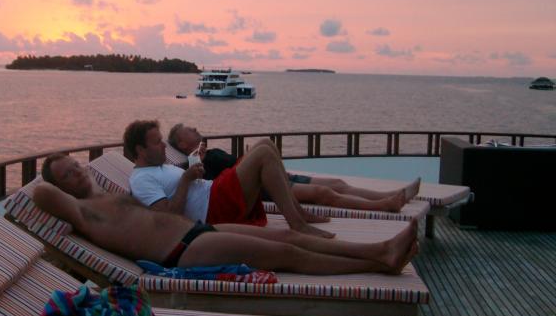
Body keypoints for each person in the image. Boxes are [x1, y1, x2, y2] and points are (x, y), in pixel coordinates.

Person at [34, 152, 418, 274]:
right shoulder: (82, 211)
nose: (75, 171)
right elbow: (39, 192)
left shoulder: (112, 194)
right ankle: (378, 260)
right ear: (63, 185)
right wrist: (51, 176)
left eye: (76, 165)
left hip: (200, 229)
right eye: (66, 173)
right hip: (181, 252)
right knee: (289, 256)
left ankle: (380, 249)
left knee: (290, 237)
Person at [125, 119, 334, 238]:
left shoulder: (159, 166)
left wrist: (194, 169)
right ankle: (297, 224)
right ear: (140, 150)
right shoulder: (141, 180)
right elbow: (167, 220)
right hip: (214, 209)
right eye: (157, 143)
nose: (163, 146)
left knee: (266, 145)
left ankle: (299, 212)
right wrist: (187, 179)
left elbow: (184, 187)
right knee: (263, 154)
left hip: (215, 192)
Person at [168, 123, 420, 213]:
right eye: (190, 130)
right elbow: (208, 183)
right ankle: (385, 205)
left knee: (336, 184)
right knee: (326, 195)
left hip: (270, 176)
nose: (195, 129)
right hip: (263, 187)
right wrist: (197, 159)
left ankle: (391, 196)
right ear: (182, 142)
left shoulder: (210, 152)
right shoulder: (197, 162)